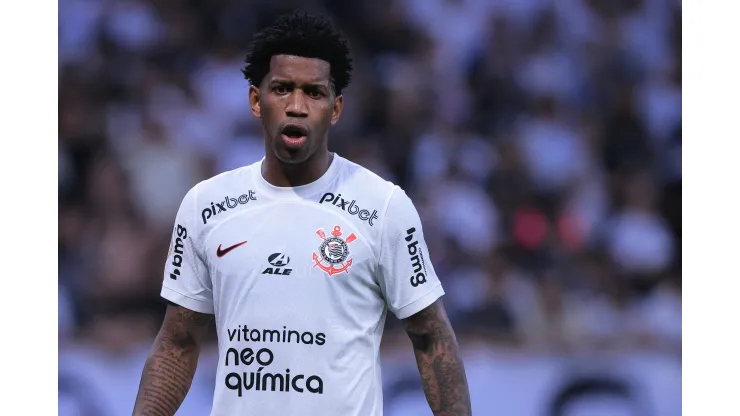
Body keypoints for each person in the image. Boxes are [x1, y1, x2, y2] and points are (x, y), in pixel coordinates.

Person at [132, 11, 471, 416]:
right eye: (282, 89)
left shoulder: (382, 206)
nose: (296, 106)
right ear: (257, 101)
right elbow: (178, 343)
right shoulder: (207, 205)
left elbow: (432, 337)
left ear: (336, 108)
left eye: (314, 92)